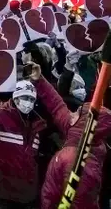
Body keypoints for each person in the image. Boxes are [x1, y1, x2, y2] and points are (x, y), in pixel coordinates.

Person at [28, 62, 111, 209]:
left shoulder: (81, 165)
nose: (71, 112)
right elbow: (57, 106)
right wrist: (39, 79)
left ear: (86, 123)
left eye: (77, 112)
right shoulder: (79, 136)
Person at [0, 81, 46, 208]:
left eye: (31, 99)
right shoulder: (1, 115)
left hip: (26, 197)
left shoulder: (37, 125)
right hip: (2, 194)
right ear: (15, 98)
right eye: (25, 98)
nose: (28, 102)